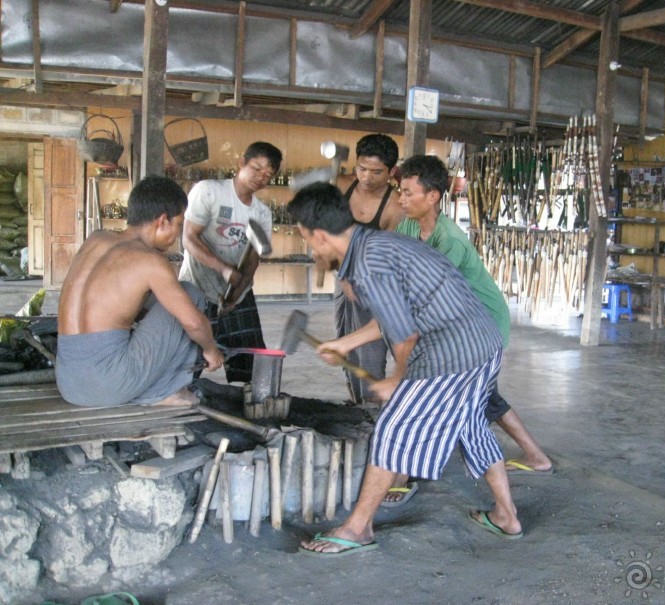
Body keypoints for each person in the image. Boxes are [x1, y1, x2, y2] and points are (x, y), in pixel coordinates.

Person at [288, 182, 523, 557]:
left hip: (452, 354)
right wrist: (346, 343)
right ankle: (506, 515)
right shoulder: (378, 244)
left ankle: (357, 528)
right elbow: (395, 314)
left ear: (319, 235)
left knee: (393, 429)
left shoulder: (367, 265)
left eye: (307, 240)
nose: (311, 249)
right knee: (471, 425)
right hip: (483, 342)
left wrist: (396, 380)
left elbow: (406, 336)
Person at [386, 155, 553, 504]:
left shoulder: (451, 241)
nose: (400, 199)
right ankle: (535, 457)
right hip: (455, 322)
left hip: (482, 323)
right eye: (399, 192)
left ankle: (401, 471)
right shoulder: (407, 226)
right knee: (481, 398)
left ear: (433, 196)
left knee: (449, 397)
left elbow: (426, 296)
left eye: (407, 192)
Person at [56, 176, 224, 407]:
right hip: (107, 387)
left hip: (68, 383)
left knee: (163, 300)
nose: (177, 235)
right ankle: (164, 391)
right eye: (178, 224)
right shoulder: (150, 260)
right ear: (163, 221)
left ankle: (149, 386)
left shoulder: (96, 239)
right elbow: (194, 324)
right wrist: (211, 351)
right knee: (189, 295)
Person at [179, 141, 282, 383]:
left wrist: (236, 293)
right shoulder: (209, 191)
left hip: (237, 295)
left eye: (268, 175)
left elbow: (253, 257)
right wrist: (225, 270)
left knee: (249, 363)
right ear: (241, 163)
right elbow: (189, 239)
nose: (261, 177)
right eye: (257, 168)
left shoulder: (262, 213)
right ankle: (179, 397)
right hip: (197, 288)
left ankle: (243, 402)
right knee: (187, 358)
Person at [335, 133, 403, 405]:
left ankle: (374, 407)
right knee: (345, 341)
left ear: (391, 172)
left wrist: (356, 276)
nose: (366, 177)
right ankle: (356, 401)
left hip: (376, 281)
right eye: (362, 169)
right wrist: (344, 274)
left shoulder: (395, 204)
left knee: (370, 347)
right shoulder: (341, 186)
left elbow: (387, 254)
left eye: (376, 172)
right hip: (342, 275)